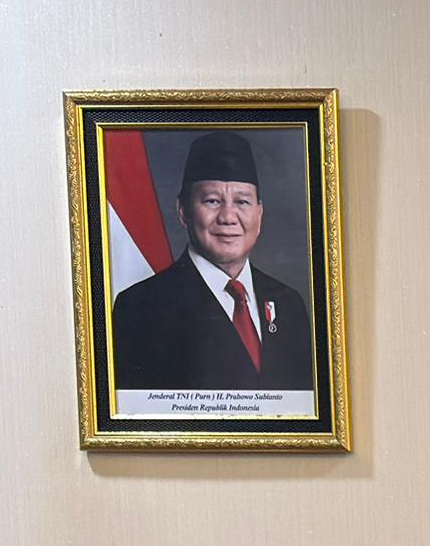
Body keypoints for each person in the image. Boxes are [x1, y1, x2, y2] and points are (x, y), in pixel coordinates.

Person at [107, 129, 316, 395]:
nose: (228, 217)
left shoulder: (289, 305)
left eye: (242, 201)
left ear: (259, 214)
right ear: (183, 211)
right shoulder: (140, 308)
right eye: (212, 201)